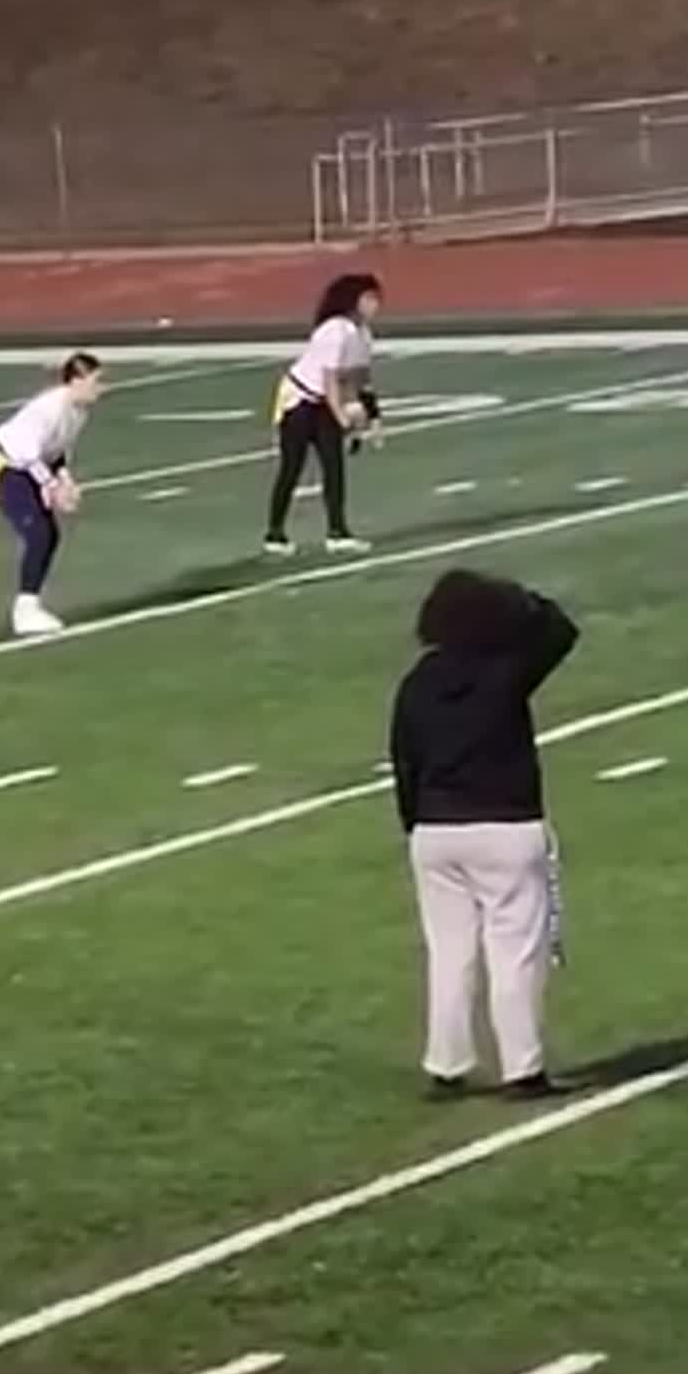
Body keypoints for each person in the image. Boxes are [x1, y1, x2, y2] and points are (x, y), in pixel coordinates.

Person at [390, 568, 579, 1101]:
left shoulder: (417, 683)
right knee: (514, 950)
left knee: (449, 953)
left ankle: (446, 1065)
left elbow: (404, 761)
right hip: (505, 826)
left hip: (435, 831)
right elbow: (560, 629)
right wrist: (517, 597)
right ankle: (522, 1068)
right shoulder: (505, 671)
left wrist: (416, 824)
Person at [0, 351, 105, 636]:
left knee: (47, 535)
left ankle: (28, 605)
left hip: (29, 467)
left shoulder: (78, 411)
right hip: (7, 468)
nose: (100, 388)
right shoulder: (48, 410)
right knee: (40, 533)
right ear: (75, 381)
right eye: (95, 381)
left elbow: (56, 450)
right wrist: (52, 487)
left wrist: (65, 479)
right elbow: (28, 454)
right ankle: (25, 611)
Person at [264, 273, 382, 557]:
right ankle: (275, 533)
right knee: (292, 467)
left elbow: (359, 378)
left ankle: (337, 532)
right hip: (299, 399)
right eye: (368, 298)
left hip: (325, 402)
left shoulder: (363, 335)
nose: (375, 305)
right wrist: (342, 417)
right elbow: (329, 379)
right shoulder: (334, 330)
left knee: (334, 466)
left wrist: (374, 417)